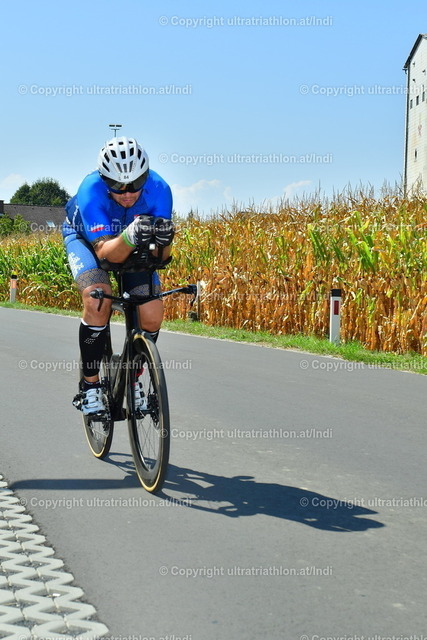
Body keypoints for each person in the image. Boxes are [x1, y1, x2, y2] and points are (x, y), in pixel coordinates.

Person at [62, 136, 175, 415]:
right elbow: (105, 255)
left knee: (152, 313)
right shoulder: (91, 189)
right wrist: (129, 235)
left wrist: (166, 241)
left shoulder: (160, 189)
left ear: (146, 176)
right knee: (97, 298)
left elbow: (161, 258)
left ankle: (132, 377)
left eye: (136, 184)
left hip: (132, 241)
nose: (127, 193)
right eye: (117, 185)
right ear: (104, 180)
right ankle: (90, 387)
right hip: (88, 240)